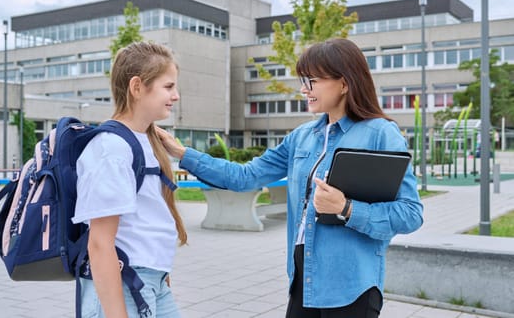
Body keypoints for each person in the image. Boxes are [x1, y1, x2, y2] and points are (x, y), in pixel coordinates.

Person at [158, 37, 423, 318]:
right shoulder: (301, 137)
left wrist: (346, 209)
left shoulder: (381, 134)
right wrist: (183, 153)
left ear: (344, 83)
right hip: (303, 278)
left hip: (352, 285)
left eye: (312, 81)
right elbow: (246, 176)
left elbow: (410, 214)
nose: (303, 89)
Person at [72, 41, 187, 318]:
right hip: (124, 284)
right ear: (137, 87)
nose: (176, 95)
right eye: (168, 87)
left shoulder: (147, 140)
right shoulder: (111, 148)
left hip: (152, 281)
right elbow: (99, 243)